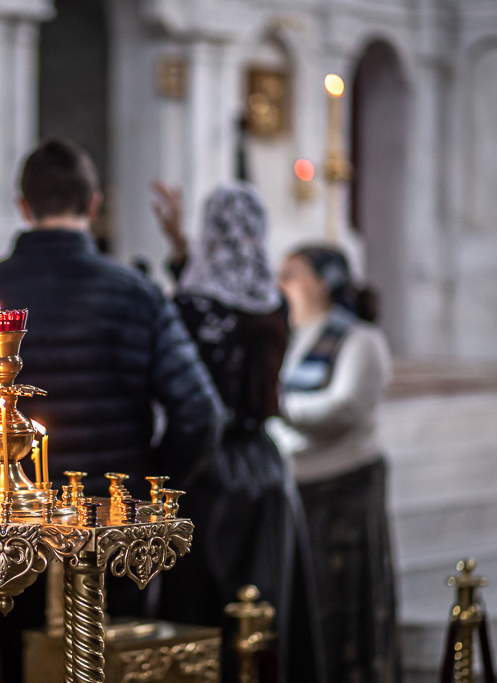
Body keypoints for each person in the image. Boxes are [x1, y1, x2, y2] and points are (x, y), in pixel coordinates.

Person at [0, 139, 222, 683]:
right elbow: (200, 414)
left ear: (23, 206)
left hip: (11, 534)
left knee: (27, 666)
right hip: (112, 526)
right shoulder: (135, 293)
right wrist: (144, 490)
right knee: (118, 667)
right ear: (94, 205)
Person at [152, 181, 325, 683]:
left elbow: (199, 322)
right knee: (267, 604)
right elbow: (227, 310)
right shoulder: (275, 306)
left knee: (204, 608)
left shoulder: (190, 306)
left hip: (209, 471)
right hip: (267, 469)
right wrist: (181, 250)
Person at [276, 245, 401, 683]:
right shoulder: (293, 337)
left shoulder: (360, 339)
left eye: (293, 274)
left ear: (324, 282)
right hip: (300, 486)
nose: (281, 283)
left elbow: (345, 409)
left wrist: (277, 407)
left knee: (348, 607)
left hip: (346, 488)